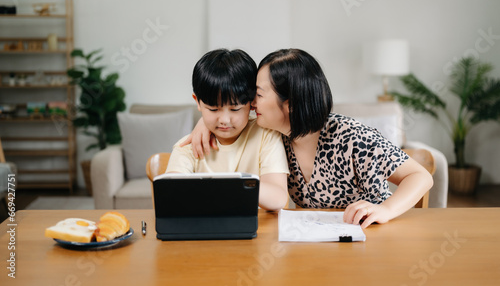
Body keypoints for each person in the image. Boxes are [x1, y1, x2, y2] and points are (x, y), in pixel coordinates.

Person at [183, 48, 434, 228]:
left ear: (289, 104)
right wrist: (203, 124)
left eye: (257, 94)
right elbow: (226, 115)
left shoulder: (351, 136)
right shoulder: (273, 135)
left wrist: (386, 209)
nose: (250, 102)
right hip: (314, 242)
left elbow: (420, 176)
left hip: (370, 236)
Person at [166, 48, 289, 211]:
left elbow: (278, 198)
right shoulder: (188, 147)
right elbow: (170, 196)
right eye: (213, 109)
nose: (224, 120)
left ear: (252, 102)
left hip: (257, 231)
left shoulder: (265, 134)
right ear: (197, 101)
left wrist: (227, 186)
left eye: (235, 109)